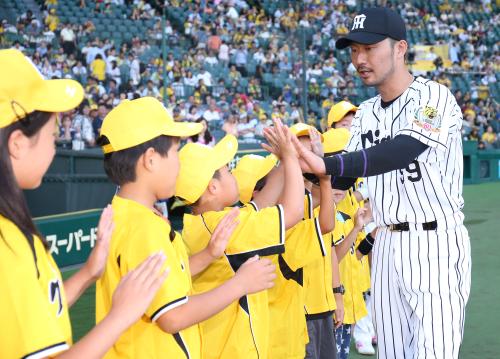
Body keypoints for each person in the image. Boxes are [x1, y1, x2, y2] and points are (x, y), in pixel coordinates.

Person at [286, 7, 471, 359]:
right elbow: (344, 175)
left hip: (435, 243)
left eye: (369, 48)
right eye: (354, 50)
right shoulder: (367, 112)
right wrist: (298, 166)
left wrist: (326, 162)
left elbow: (401, 151)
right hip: (385, 244)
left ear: (400, 48)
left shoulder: (434, 97)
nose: (359, 58)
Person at [0, 48, 169, 359]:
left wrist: (90, 272)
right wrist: (120, 316)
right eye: (52, 135)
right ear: (17, 144)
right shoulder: (7, 242)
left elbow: (34, 314)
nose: (55, 146)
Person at [96, 97, 276, 358]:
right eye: (174, 155)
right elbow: (172, 316)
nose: (178, 166)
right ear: (150, 160)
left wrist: (208, 255)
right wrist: (240, 284)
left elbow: (161, 282)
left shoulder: (132, 214)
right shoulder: (144, 226)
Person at [174, 121, 304, 358]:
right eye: (227, 171)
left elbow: (261, 204)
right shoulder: (223, 226)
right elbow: (294, 212)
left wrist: (285, 161)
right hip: (234, 348)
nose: (233, 175)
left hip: (221, 345)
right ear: (212, 188)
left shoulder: (201, 222)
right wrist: (292, 159)